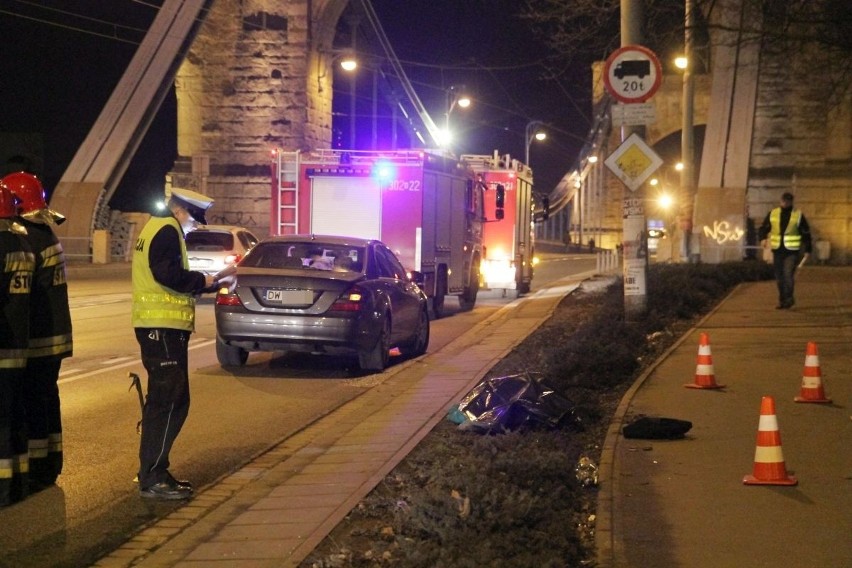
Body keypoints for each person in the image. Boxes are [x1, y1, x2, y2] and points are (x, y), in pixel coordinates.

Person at [132, 188, 215, 500]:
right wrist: (202, 281)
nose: (194, 226)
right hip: (162, 329)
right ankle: (153, 475)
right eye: (193, 219)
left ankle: (151, 470)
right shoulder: (167, 229)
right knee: (169, 402)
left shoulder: (155, 226)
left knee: (167, 401)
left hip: (159, 328)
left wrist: (208, 283)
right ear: (180, 210)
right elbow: (167, 274)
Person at [1, 172, 72, 491]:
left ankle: (33, 472)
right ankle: (47, 463)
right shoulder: (45, 233)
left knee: (26, 404)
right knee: (45, 400)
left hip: (34, 338)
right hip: (54, 335)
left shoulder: (24, 238)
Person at [0, 182, 35, 506]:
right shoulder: (22, 244)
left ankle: (3, 490)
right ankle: (18, 481)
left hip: (2, 345)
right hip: (20, 345)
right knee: (14, 416)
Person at [758, 192, 812, 309]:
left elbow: (805, 233)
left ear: (791, 202)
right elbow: (764, 227)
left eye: (788, 201)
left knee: (788, 275)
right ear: (780, 201)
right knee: (779, 277)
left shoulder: (797, 215)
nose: (785, 202)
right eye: (784, 200)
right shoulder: (773, 214)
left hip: (791, 251)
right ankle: (782, 300)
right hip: (777, 250)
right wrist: (762, 238)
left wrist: (808, 249)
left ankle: (789, 299)